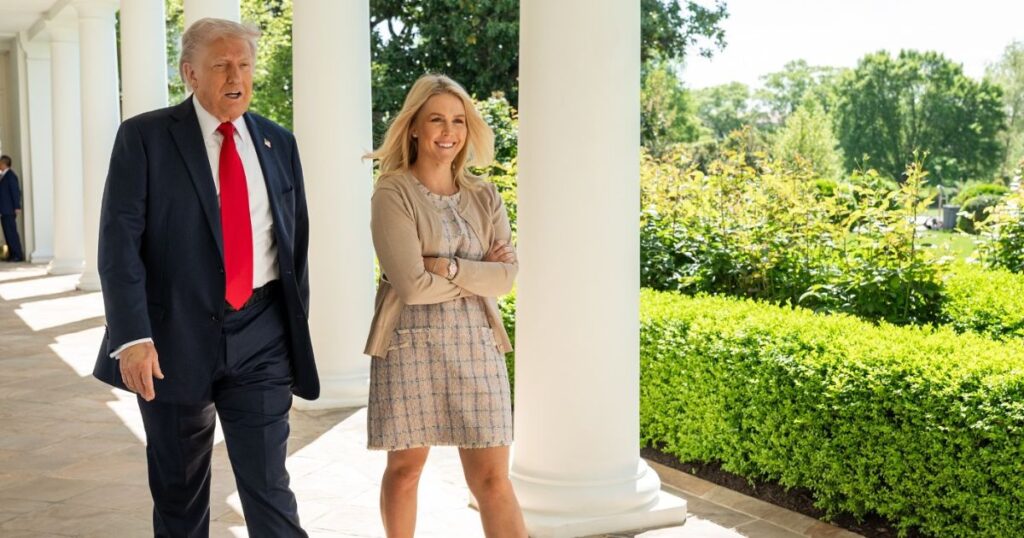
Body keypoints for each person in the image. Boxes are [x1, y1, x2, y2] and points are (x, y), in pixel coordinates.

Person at [92, 18, 318, 537]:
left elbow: (293, 243)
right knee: (180, 492)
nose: (236, 75)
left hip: (261, 335)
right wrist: (133, 337)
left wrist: (290, 331)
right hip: (170, 342)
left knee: (269, 488)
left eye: (244, 64)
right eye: (222, 65)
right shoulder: (144, 137)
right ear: (190, 73)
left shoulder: (278, 144)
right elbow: (119, 244)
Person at [364, 74, 527, 538]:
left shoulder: (485, 195)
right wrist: (478, 276)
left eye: (458, 120)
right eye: (436, 119)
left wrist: (449, 269)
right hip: (410, 346)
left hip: (477, 344)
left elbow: (507, 278)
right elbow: (412, 288)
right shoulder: (392, 192)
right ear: (414, 126)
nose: (448, 131)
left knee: (494, 479)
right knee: (405, 471)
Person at [0, 155, 24, 262]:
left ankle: (18, 255)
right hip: (4, 210)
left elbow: (15, 192)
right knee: (7, 233)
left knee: (12, 233)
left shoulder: (11, 176)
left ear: (4, 163)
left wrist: (17, 206)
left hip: (9, 209)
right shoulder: (4, 176)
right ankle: (12, 254)